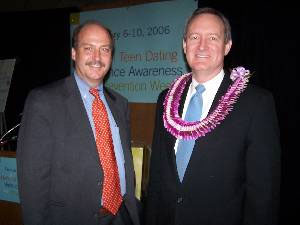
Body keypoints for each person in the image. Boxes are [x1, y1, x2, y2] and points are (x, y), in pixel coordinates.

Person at [145, 7, 281, 225]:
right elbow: (158, 176)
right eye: (194, 37)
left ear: (227, 46)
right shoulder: (166, 99)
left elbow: (263, 191)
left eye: (213, 38)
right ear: (184, 44)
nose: (202, 46)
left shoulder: (255, 103)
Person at [17, 20, 140, 225]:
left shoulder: (120, 104)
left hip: (121, 216)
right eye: (88, 48)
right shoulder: (44, 102)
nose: (97, 58)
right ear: (74, 53)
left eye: (104, 49)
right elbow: (32, 183)